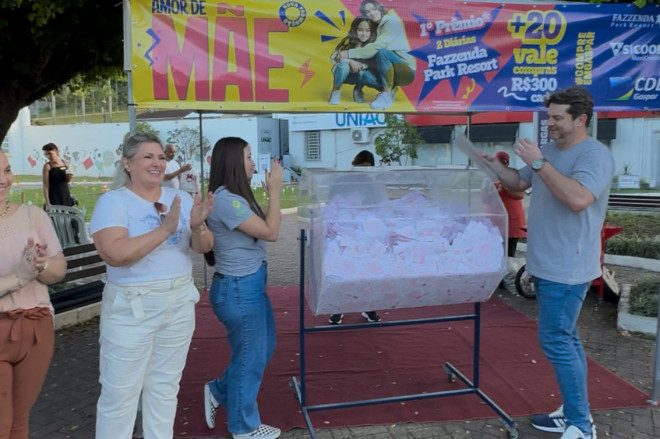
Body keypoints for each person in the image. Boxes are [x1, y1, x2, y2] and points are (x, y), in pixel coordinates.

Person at [482, 86, 613, 439]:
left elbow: (579, 199)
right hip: (544, 263)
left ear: (580, 119)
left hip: (567, 267)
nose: (549, 123)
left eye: (557, 118)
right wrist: (495, 167)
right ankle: (572, 412)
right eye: (548, 116)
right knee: (565, 339)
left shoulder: (595, 155)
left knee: (557, 340)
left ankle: (581, 425)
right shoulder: (551, 150)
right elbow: (517, 184)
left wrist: (539, 162)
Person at [90, 133, 214, 439]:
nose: (157, 163)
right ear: (127, 163)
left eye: (160, 157)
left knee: (165, 388)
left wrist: (198, 225)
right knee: (120, 395)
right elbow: (115, 254)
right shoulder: (113, 202)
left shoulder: (180, 198)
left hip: (179, 301)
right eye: (148, 156)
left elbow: (203, 247)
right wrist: (165, 230)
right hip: (133, 306)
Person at [203, 137, 283, 439]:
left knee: (262, 348)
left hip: (248, 285)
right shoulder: (227, 200)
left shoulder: (235, 197)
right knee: (250, 357)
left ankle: (219, 391)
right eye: (248, 157)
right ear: (234, 161)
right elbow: (271, 232)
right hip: (239, 289)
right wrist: (275, 194)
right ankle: (243, 427)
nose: (253, 163)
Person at [0, 150, 67, 439]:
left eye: (6, 170)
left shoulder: (33, 215)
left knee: (18, 421)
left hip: (37, 329)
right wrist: (20, 277)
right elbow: (21, 276)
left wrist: (42, 266)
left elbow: (59, 268)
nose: (3, 180)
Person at [329, 150, 381, 325]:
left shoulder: (372, 185)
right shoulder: (342, 181)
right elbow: (332, 203)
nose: (364, 171)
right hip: (343, 232)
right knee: (342, 272)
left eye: (368, 168)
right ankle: (337, 309)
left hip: (364, 232)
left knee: (367, 272)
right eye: (361, 167)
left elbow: (378, 205)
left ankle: (369, 307)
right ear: (354, 165)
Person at [339, 0, 416, 110]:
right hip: (389, 70)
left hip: (405, 70)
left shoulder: (392, 22)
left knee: (381, 52)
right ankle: (391, 89)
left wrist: (349, 53)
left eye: (374, 9)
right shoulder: (376, 26)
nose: (372, 13)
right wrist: (349, 60)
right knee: (363, 75)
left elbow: (377, 47)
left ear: (380, 8)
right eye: (367, 12)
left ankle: (386, 94)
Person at [328, 16, 380, 105]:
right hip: (344, 73)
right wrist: (349, 62)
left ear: (372, 32)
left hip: (359, 74)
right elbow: (334, 57)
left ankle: (358, 89)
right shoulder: (348, 41)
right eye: (360, 30)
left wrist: (361, 66)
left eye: (367, 31)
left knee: (366, 74)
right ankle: (336, 90)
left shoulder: (373, 44)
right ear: (355, 30)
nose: (364, 34)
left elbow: (372, 63)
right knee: (344, 67)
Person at [494, 151, 527, 257]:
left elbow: (520, 195)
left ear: (508, 164)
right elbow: (484, 198)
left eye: (504, 162)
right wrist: (497, 192)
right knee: (495, 253)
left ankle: (509, 267)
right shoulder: (489, 177)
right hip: (496, 222)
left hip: (512, 222)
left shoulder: (514, 176)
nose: (501, 165)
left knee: (509, 254)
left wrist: (505, 185)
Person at [42, 142, 75, 209]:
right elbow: (45, 186)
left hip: (65, 196)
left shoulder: (65, 163)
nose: (48, 156)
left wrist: (69, 178)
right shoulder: (47, 166)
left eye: (50, 153)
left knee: (67, 215)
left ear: (56, 151)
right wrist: (48, 203)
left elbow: (67, 181)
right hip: (54, 197)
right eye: (46, 154)